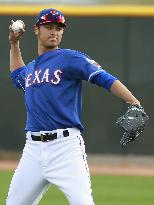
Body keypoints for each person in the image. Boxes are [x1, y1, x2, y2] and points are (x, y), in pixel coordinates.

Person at [7, 8, 140, 205]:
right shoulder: (32, 68)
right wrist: (14, 43)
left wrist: (134, 103)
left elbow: (104, 78)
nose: (54, 32)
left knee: (83, 203)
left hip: (65, 148)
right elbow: (17, 76)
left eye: (59, 28)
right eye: (49, 27)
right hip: (32, 149)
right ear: (36, 30)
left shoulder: (70, 58)